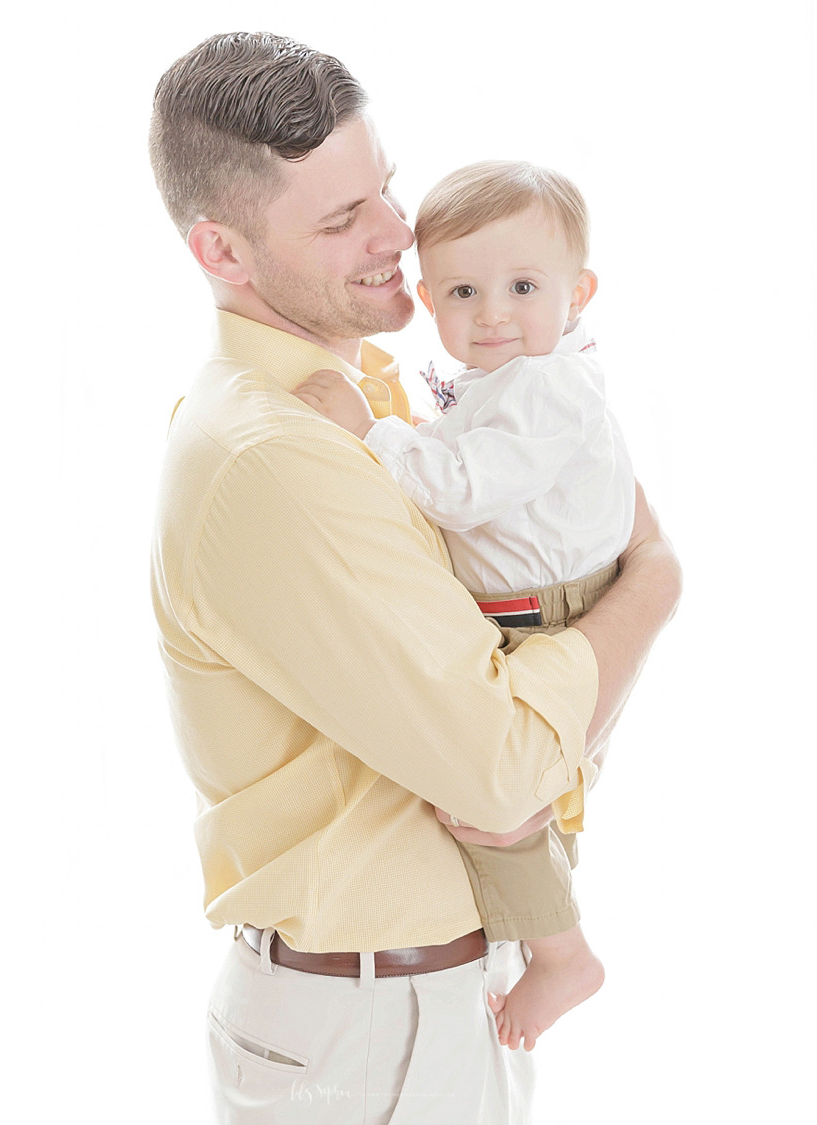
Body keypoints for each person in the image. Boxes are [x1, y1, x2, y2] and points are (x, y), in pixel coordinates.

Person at [147, 33, 680, 1123]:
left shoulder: (374, 392)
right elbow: (505, 774)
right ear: (223, 250)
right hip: (370, 1026)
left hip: (408, 1005)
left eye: (382, 188)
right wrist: (656, 584)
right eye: (342, 220)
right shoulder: (277, 455)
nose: (399, 234)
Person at [294, 161, 633, 1052]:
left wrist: (370, 433)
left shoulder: (549, 385)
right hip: (527, 605)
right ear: (428, 299)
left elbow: (467, 485)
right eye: (463, 290)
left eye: (523, 287)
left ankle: (563, 953)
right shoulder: (523, 368)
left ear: (579, 290)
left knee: (500, 801)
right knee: (537, 794)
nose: (491, 313)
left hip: (545, 614)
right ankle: (547, 936)